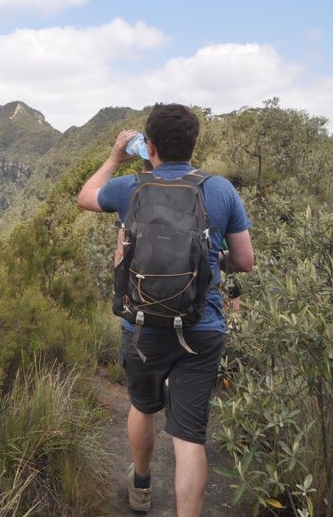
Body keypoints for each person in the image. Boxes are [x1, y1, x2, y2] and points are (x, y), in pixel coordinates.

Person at [77, 104, 254, 516]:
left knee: (142, 406)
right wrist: (214, 259)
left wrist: (115, 157)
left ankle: (141, 486)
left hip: (143, 325)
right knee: (189, 436)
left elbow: (85, 197)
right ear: (193, 143)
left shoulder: (129, 187)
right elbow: (245, 261)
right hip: (202, 325)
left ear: (150, 146)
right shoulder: (220, 189)